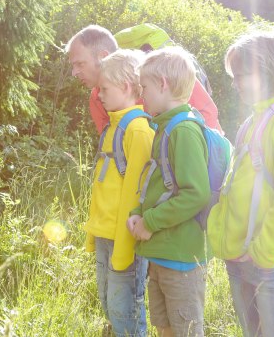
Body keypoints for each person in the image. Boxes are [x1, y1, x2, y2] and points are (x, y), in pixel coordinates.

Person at [207, 28, 274, 337]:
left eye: (240, 74)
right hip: (242, 255)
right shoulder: (254, 121)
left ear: (266, 71)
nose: (234, 82)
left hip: (273, 262)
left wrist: (265, 250)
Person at [127, 46, 210, 337]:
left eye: (145, 87)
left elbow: (195, 193)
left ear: (162, 84)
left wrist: (150, 221)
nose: (142, 94)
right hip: (161, 254)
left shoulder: (183, 130)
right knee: (165, 329)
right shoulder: (164, 127)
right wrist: (138, 213)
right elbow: (155, 183)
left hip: (181, 259)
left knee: (185, 331)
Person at [85, 50, 155, 336]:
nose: (98, 95)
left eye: (104, 89)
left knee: (125, 312)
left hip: (124, 242)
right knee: (109, 307)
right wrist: (93, 234)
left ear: (126, 87)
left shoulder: (137, 130)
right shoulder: (113, 127)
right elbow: (103, 188)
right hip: (106, 236)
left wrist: (124, 251)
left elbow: (134, 195)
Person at [66, 25, 221, 134]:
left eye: (80, 64)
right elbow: (114, 150)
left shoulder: (161, 73)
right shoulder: (97, 99)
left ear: (103, 57)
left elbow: (208, 116)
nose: (74, 73)